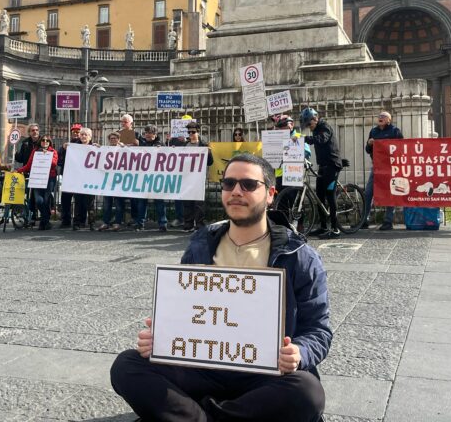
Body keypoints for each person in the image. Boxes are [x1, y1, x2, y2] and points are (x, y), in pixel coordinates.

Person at [110, 153, 331, 422]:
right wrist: (160, 338)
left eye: (248, 185)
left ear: (270, 194)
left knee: (307, 392)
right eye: (229, 184)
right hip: (203, 368)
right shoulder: (201, 245)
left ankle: (195, 415)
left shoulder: (299, 255)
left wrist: (300, 352)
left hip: (264, 374)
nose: (236, 191)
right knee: (126, 366)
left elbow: (318, 330)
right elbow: (185, 312)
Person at [300, 107, 342, 238]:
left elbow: (321, 139)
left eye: (309, 124)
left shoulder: (325, 127)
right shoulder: (316, 129)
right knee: (319, 196)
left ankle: (335, 229)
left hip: (332, 165)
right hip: (323, 166)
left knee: (330, 195)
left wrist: (305, 138)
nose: (308, 127)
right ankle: (323, 226)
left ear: (315, 119)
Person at [361, 111, 404, 230]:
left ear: (389, 120)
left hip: (391, 167)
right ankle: (364, 220)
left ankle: (388, 221)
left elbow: (401, 147)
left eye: (383, 116)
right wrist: (369, 144)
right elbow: (367, 150)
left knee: (390, 192)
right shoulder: (373, 131)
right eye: (379, 116)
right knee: (368, 192)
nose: (380, 118)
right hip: (377, 166)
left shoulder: (395, 131)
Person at [17, 135, 58, 230]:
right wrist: (18, 170)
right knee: (39, 200)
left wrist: (46, 154)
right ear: (40, 142)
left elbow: (54, 164)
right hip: (37, 177)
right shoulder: (35, 151)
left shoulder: (53, 152)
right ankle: (46, 219)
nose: (45, 142)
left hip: (49, 178)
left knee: (46, 200)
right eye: (43, 140)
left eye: (47, 140)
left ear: (50, 142)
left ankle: (44, 223)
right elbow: (29, 165)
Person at [180, 121, 214, 232]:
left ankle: (199, 225)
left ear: (198, 132)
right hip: (187, 177)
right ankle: (188, 224)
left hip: (199, 177)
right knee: (187, 202)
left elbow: (210, 162)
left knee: (199, 203)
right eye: (189, 132)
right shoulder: (185, 145)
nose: (190, 134)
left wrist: (208, 153)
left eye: (193, 132)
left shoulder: (204, 145)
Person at [138, 124, 168, 232]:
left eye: (149, 133)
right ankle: (140, 223)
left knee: (159, 201)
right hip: (143, 176)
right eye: (146, 133)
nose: (147, 135)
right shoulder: (141, 143)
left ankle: (162, 224)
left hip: (156, 177)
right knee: (142, 201)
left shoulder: (161, 145)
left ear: (155, 134)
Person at [99, 132, 126, 232]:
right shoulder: (106, 149)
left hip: (119, 180)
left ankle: (117, 223)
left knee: (119, 204)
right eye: (111, 139)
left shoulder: (123, 149)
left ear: (118, 139)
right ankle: (106, 222)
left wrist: (123, 147)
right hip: (108, 181)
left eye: (115, 138)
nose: (113, 140)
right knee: (107, 204)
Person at [16, 123, 41, 225]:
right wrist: (15, 153)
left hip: (40, 172)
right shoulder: (25, 143)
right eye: (32, 130)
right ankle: (29, 215)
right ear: (29, 132)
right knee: (28, 195)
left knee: (37, 196)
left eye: (36, 130)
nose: (35, 132)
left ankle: (38, 216)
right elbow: (20, 158)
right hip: (27, 171)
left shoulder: (43, 141)